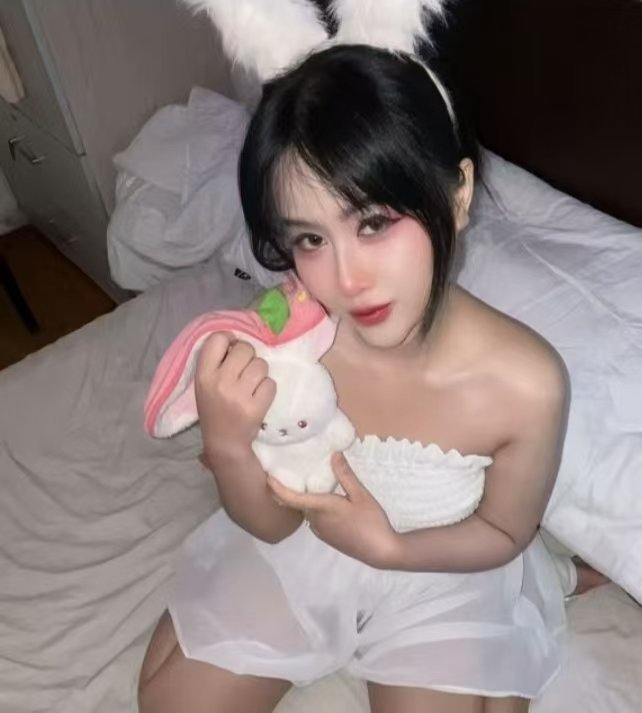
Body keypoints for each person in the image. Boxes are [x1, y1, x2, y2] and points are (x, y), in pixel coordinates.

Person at [138, 44, 605, 713]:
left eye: (374, 222)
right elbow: (272, 524)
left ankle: (557, 580)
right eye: (310, 239)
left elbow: (503, 533)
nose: (347, 279)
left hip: (440, 567)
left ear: (457, 194)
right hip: (307, 544)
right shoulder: (290, 345)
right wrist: (229, 446)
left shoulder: (527, 383)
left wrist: (389, 547)